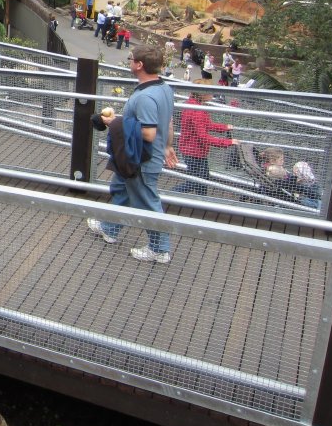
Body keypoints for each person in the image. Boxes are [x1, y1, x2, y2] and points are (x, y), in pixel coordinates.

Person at [87, 45, 177, 263]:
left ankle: (159, 249)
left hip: (141, 159)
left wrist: (113, 122)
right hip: (135, 155)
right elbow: (169, 121)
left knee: (146, 201)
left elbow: (147, 133)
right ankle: (109, 227)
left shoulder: (146, 97)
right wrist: (168, 145)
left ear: (139, 65)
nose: (129, 62)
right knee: (122, 189)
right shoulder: (164, 88)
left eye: (130, 59)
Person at [173, 84, 237, 195]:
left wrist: (224, 127)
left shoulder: (195, 106)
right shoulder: (197, 111)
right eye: (210, 92)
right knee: (196, 181)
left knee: (202, 178)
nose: (212, 94)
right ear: (203, 94)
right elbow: (203, 136)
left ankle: (201, 199)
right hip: (193, 152)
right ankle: (170, 194)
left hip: (194, 150)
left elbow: (207, 125)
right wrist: (227, 142)